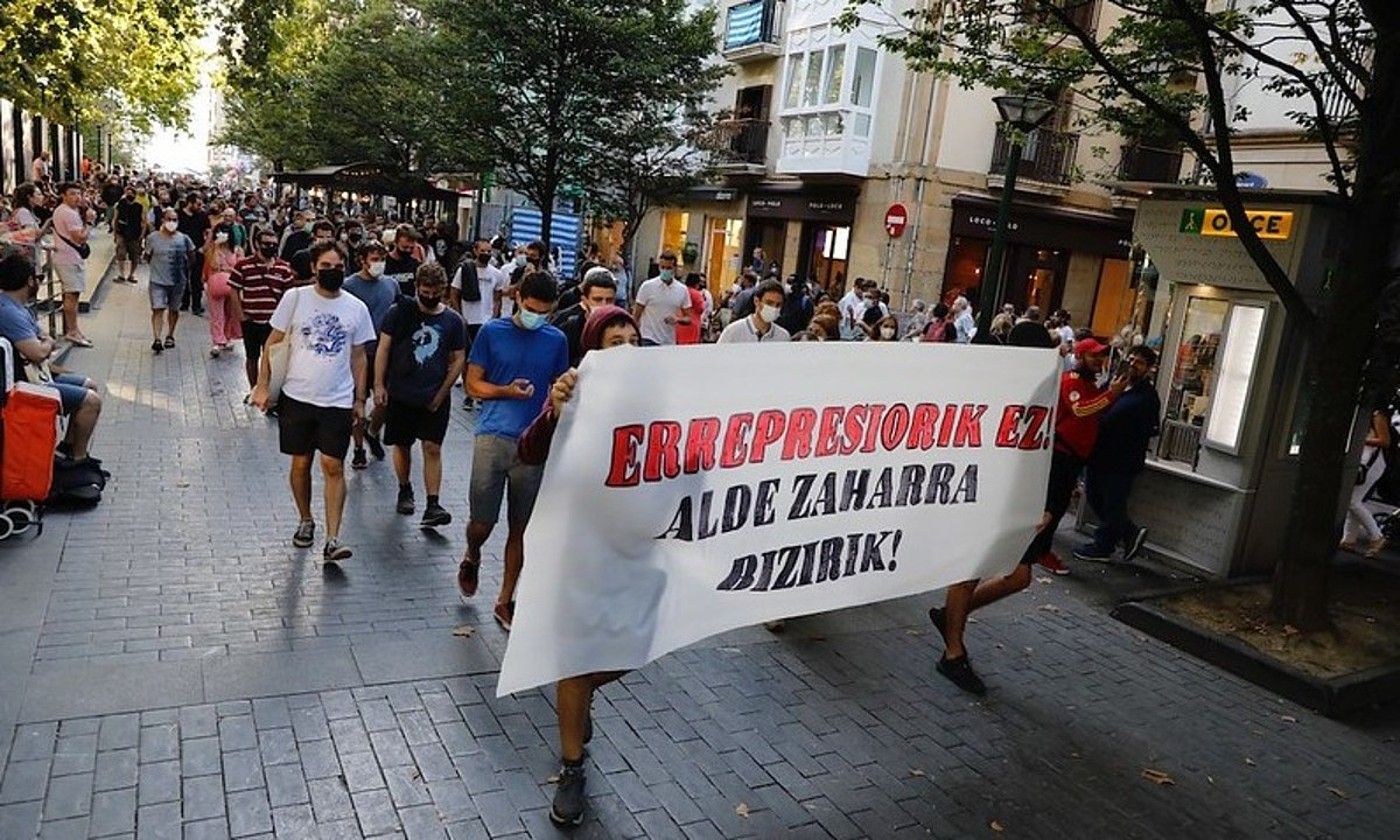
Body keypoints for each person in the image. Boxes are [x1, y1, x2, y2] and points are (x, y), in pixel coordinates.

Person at [928, 336, 1126, 695]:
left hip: (1033, 483)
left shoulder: (1035, 388)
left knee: (1018, 576)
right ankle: (953, 652)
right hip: (988, 489)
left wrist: (1043, 499)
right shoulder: (990, 391)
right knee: (970, 569)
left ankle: (952, 617)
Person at [515, 304, 639, 827]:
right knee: (574, 656)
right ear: (594, 350)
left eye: (632, 338)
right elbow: (529, 451)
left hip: (635, 546)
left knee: (634, 645)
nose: (627, 347)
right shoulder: (572, 391)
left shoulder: (659, 397)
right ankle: (571, 766)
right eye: (615, 341)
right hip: (577, 544)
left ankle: (581, 696)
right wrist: (553, 413)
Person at [457, 270, 570, 631]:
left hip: (533, 443)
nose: (539, 316)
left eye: (545, 312)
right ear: (518, 298)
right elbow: (473, 385)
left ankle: (505, 598)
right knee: (482, 522)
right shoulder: (493, 332)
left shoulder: (555, 340)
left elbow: (559, 388)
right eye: (533, 308)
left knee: (520, 527)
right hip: (492, 436)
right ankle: (472, 553)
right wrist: (507, 391)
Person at [251, 240, 376, 563]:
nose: (332, 272)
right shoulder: (295, 299)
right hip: (297, 396)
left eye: (338, 267)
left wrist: (360, 399)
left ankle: (333, 538)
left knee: (333, 465)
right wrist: (262, 385)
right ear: (313, 268)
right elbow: (272, 344)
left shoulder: (356, 308)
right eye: (326, 267)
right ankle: (306, 519)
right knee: (301, 462)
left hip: (337, 400)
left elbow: (360, 356)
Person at [374, 263, 466, 526]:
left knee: (432, 447)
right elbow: (383, 348)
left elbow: (459, 357)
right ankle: (405, 487)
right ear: (417, 288)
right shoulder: (399, 313)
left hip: (434, 394)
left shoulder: (452, 321)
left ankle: (433, 503)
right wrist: (379, 385)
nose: (429, 296)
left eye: (434, 291)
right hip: (402, 392)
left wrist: (443, 391)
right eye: (425, 291)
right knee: (402, 444)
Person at [0, 249, 103, 462]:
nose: (39, 282)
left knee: (90, 385)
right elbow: (37, 352)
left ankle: (67, 448)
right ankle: (78, 459)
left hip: (37, 374)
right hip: (26, 384)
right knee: (91, 402)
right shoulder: (8, 311)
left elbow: (43, 338)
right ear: (29, 281)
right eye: (38, 278)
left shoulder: (19, 308)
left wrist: (44, 342)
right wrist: (46, 344)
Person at [1076, 345, 1161, 562]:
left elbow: (1147, 427)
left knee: (1113, 501)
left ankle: (1104, 545)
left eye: (1139, 362)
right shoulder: (1114, 385)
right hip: (1099, 454)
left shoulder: (1147, 397)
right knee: (1095, 497)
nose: (1133, 364)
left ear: (1149, 369)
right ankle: (1129, 533)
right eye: (1131, 359)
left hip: (1122, 459)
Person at [344, 241, 398, 468]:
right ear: (362, 261)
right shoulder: (349, 286)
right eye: (374, 259)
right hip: (358, 353)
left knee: (384, 400)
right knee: (358, 402)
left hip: (384, 353)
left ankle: (373, 431)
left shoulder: (391, 284)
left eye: (382, 259)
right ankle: (358, 448)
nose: (379, 264)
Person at [229, 227, 300, 392]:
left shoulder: (283, 268)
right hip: (251, 320)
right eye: (266, 244)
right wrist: (241, 315)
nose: (271, 247)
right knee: (252, 357)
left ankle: (270, 390)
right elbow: (234, 289)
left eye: (274, 244)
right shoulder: (243, 266)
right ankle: (253, 389)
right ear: (257, 244)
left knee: (273, 358)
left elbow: (288, 294)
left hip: (274, 324)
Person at [450, 238, 511, 408]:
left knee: (484, 359)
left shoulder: (496, 274)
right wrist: (459, 314)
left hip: (486, 321)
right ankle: (469, 394)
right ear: (475, 251)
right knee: (468, 358)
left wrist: (495, 315)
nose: (486, 254)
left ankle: (480, 391)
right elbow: (454, 292)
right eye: (483, 250)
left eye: (488, 251)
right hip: (468, 320)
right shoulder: (465, 270)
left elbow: (497, 297)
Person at [144, 208, 197, 354]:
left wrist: (185, 268)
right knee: (157, 309)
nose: (172, 223)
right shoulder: (152, 238)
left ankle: (170, 335)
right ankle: (157, 338)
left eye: (175, 220)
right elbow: (147, 256)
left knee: (174, 309)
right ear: (162, 220)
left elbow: (192, 257)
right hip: (157, 280)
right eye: (169, 219)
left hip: (178, 280)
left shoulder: (184, 239)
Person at [1342, 403, 1392, 557]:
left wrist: (1360, 441)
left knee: (1352, 501)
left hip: (1371, 464)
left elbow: (1385, 440)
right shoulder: (1368, 413)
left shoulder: (1376, 414)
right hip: (1367, 462)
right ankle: (1349, 539)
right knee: (1355, 500)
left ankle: (1376, 536)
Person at [51, 183, 93, 347]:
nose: (77, 197)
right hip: (68, 259)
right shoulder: (68, 213)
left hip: (67, 257)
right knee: (72, 295)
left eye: (78, 193)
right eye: (72, 194)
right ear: (63, 195)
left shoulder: (67, 211)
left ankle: (73, 329)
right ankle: (72, 331)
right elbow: (80, 238)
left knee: (72, 295)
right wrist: (89, 222)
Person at [552, 266, 617, 365]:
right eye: (597, 300)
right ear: (584, 300)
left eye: (609, 300)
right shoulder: (568, 329)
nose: (604, 305)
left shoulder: (621, 328)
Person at [632, 250, 692, 346]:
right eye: (662, 267)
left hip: (668, 341)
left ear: (675, 268)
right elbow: (636, 314)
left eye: (669, 268)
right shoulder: (647, 286)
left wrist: (677, 319)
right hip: (648, 337)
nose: (665, 271)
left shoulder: (682, 290)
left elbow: (688, 318)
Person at [203, 222, 245, 357]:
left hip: (232, 286)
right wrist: (215, 246)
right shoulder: (213, 249)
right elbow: (213, 264)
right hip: (216, 284)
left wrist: (227, 269)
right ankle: (217, 340)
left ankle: (226, 337)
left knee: (230, 313)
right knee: (217, 314)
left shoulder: (237, 250)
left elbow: (241, 268)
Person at [717, 280, 790, 344]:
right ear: (756, 301)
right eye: (769, 303)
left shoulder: (783, 337)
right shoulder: (733, 331)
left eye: (778, 305)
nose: (773, 308)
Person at [177, 194, 211, 314]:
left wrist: (205, 247)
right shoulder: (179, 215)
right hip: (181, 250)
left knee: (196, 279)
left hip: (197, 250)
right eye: (197, 204)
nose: (200, 207)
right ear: (190, 203)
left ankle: (196, 305)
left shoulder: (202, 216)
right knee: (182, 277)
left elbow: (208, 232)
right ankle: (184, 302)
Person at [112, 185, 145, 284]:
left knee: (134, 255)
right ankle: (121, 274)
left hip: (135, 233)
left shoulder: (139, 206)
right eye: (128, 193)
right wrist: (115, 232)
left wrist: (142, 235)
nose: (129, 195)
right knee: (121, 253)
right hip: (121, 232)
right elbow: (115, 218)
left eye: (131, 193)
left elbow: (143, 221)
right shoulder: (120, 204)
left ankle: (131, 274)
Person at [385, 225, 422, 296]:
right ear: (396, 242)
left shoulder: (416, 265)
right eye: (404, 247)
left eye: (411, 248)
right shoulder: (384, 262)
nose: (408, 250)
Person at [676, 273, 707, 345]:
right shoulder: (697, 294)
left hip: (680, 323)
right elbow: (701, 309)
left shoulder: (681, 292)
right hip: (692, 325)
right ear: (697, 283)